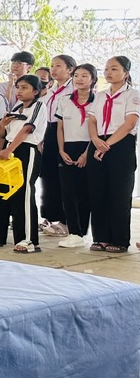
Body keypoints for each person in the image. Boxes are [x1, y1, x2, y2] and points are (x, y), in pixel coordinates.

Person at [0, 75, 47, 253]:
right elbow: (1, 134)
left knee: (23, 193)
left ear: (35, 91)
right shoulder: (15, 107)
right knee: (1, 191)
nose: (19, 91)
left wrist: (9, 150)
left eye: (24, 88)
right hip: (8, 150)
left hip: (26, 150)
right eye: (18, 87)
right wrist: (2, 124)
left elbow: (27, 129)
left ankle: (28, 239)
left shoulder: (38, 106)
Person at [87, 56, 138, 253]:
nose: (108, 72)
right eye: (107, 69)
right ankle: (101, 237)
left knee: (119, 193)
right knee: (98, 192)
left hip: (120, 144)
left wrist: (106, 145)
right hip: (98, 141)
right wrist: (95, 139)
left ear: (126, 73)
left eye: (114, 69)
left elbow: (130, 123)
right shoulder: (100, 95)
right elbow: (92, 120)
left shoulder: (132, 94)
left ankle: (119, 239)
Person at [55, 64, 97, 248]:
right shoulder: (64, 100)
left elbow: (97, 130)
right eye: (77, 75)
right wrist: (61, 150)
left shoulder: (98, 101)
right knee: (68, 193)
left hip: (88, 147)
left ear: (93, 79)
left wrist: (86, 154)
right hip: (67, 148)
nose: (79, 79)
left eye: (84, 76)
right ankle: (73, 231)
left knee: (85, 192)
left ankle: (81, 233)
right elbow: (60, 128)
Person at [39, 54, 76, 238]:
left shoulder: (74, 88)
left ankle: (67, 221)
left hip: (67, 132)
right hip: (48, 132)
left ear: (70, 69)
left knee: (65, 179)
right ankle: (51, 217)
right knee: (48, 177)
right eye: (52, 65)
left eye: (59, 66)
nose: (53, 69)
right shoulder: (51, 89)